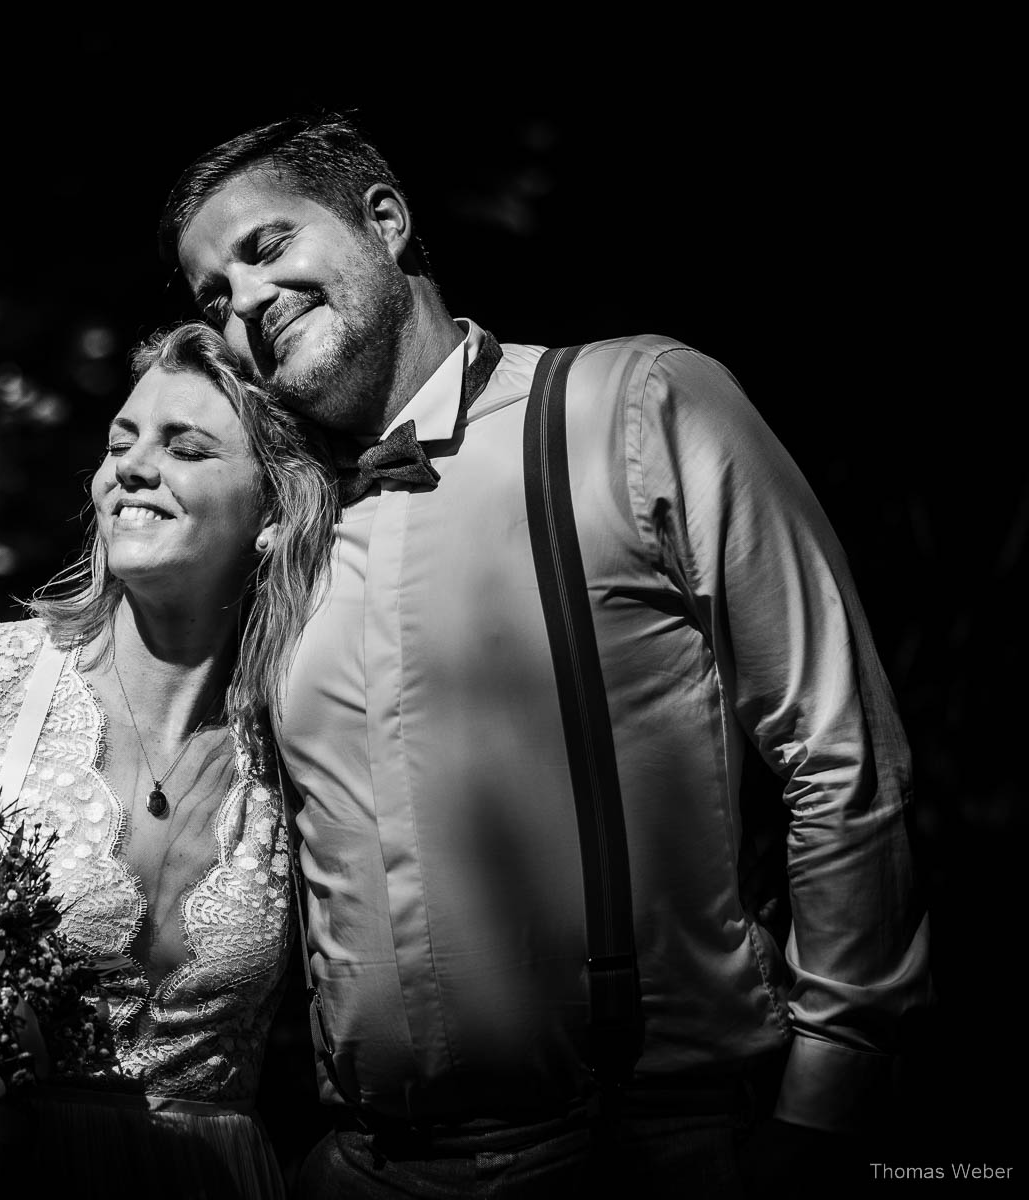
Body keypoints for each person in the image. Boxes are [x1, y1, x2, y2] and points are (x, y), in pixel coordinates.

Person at [161, 113, 932, 1198]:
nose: (242, 301)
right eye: (210, 296)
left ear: (385, 220)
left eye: (266, 247)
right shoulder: (291, 544)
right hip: (366, 1167)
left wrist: (832, 1098)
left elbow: (840, 748)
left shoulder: (639, 402)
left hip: (645, 1152)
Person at [0, 320, 337, 1199]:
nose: (129, 468)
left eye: (185, 448)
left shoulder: (305, 740)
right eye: (120, 442)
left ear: (275, 511)